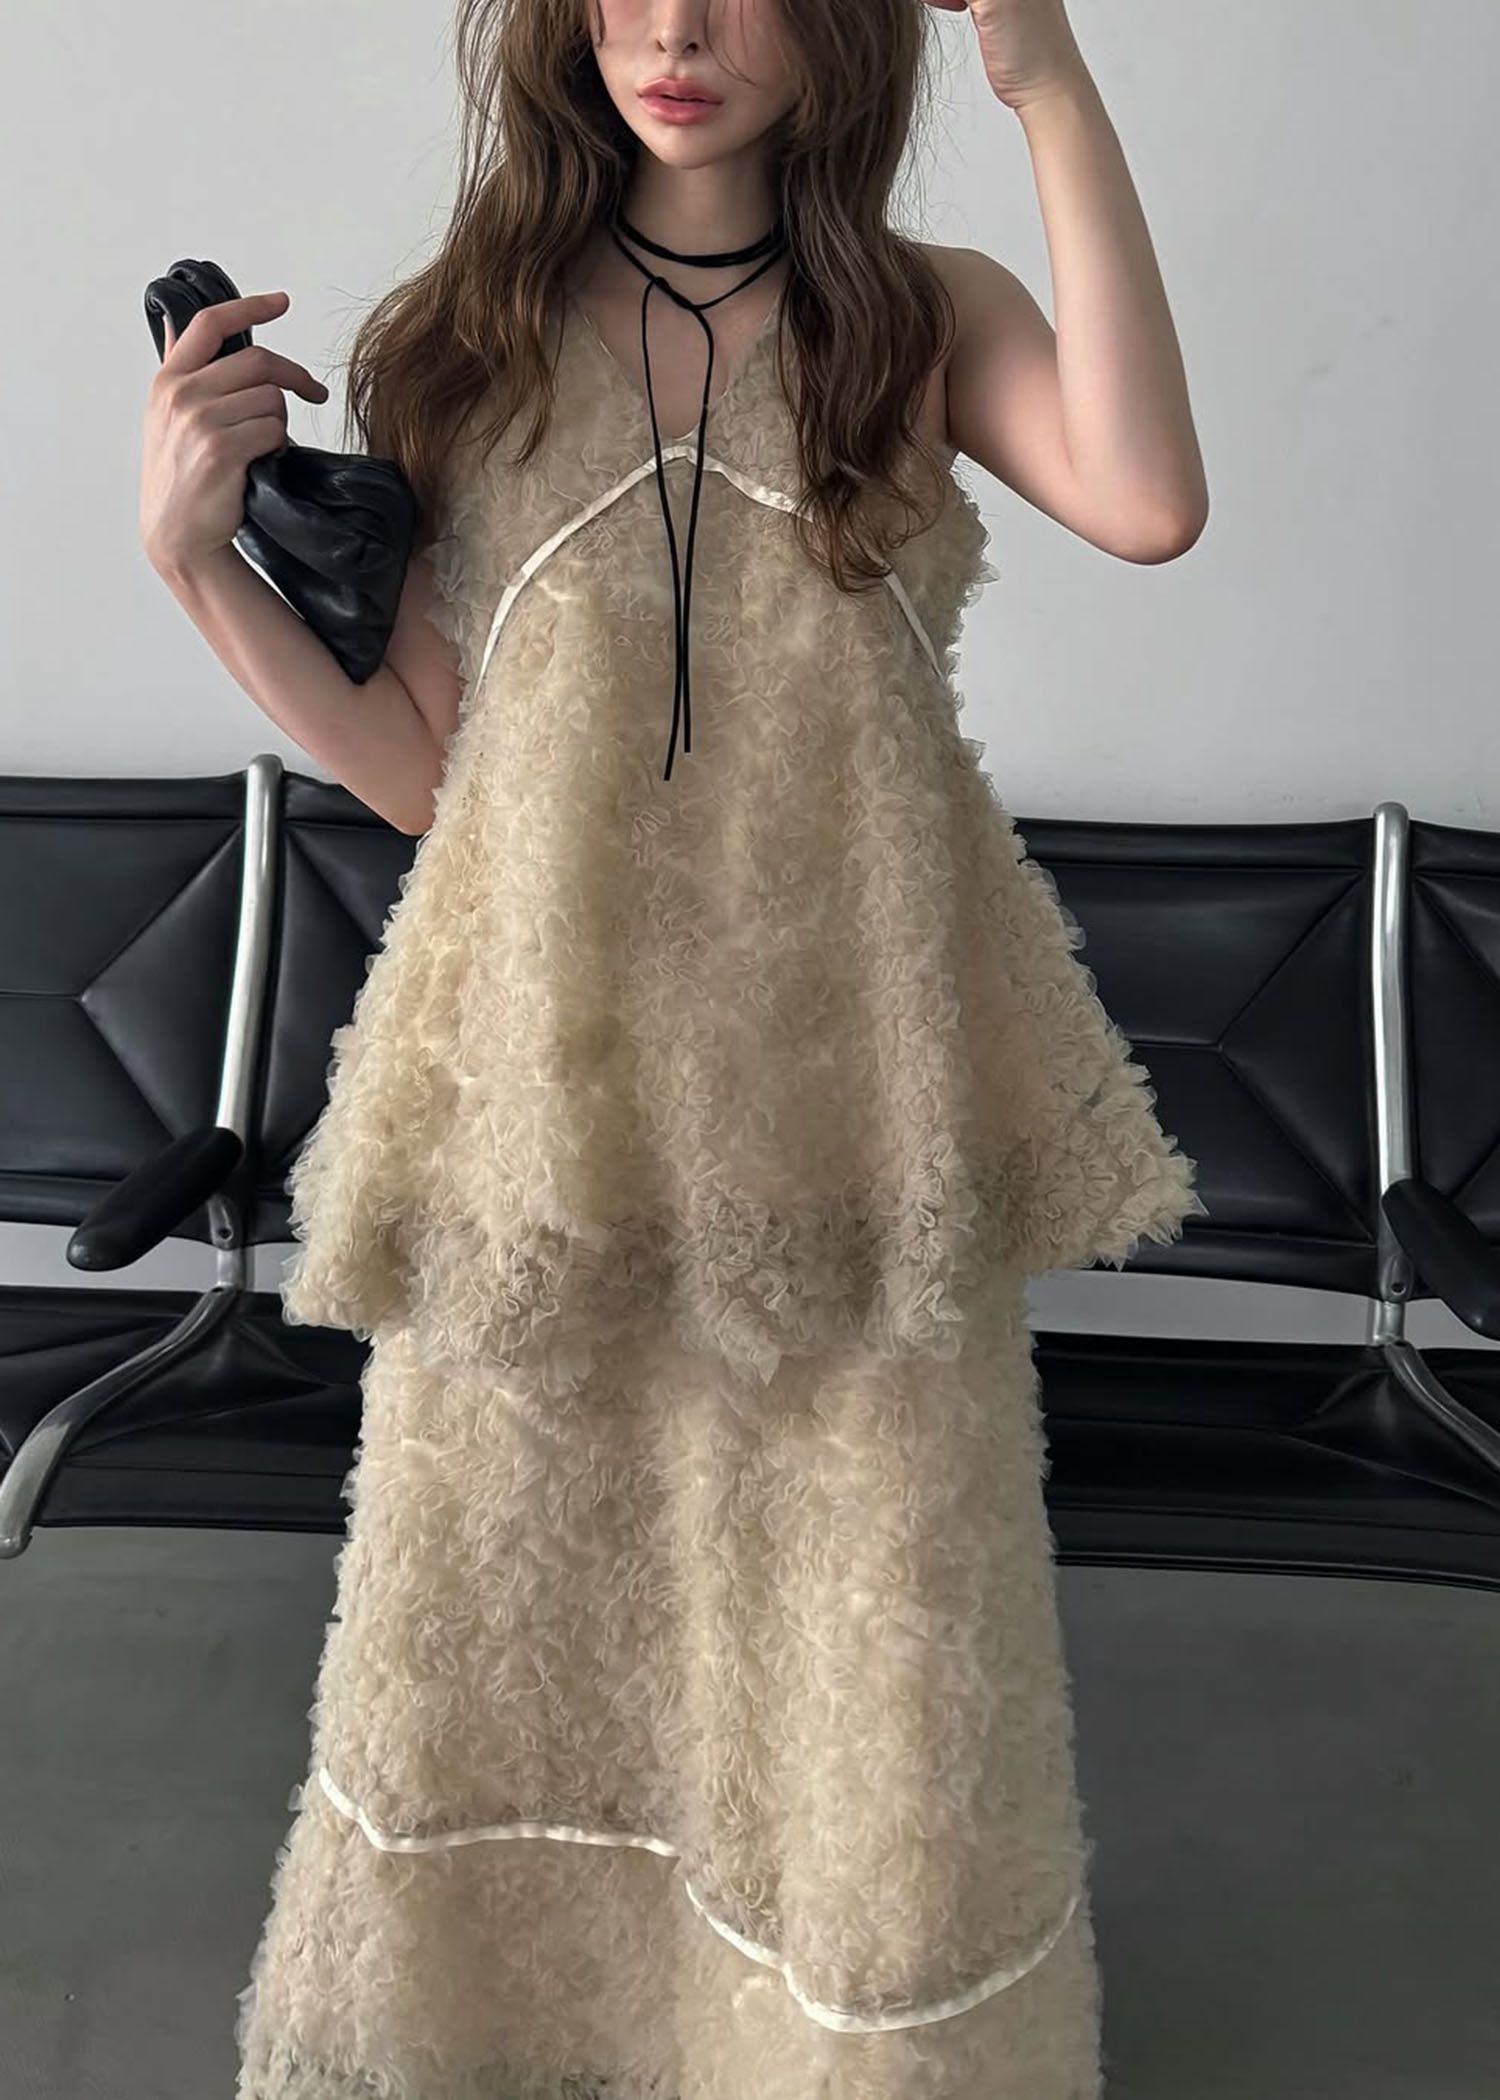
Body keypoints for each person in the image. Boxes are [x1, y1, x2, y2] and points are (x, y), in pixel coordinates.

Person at [142, 3, 1209, 2096]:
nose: (679, 27)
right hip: (549, 1108)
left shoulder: (919, 321)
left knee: (873, 1645)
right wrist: (195, 565)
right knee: (525, 1620)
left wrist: (1050, 80)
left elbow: (1150, 498)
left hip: (854, 1098)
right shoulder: (461, 340)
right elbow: (442, 772)